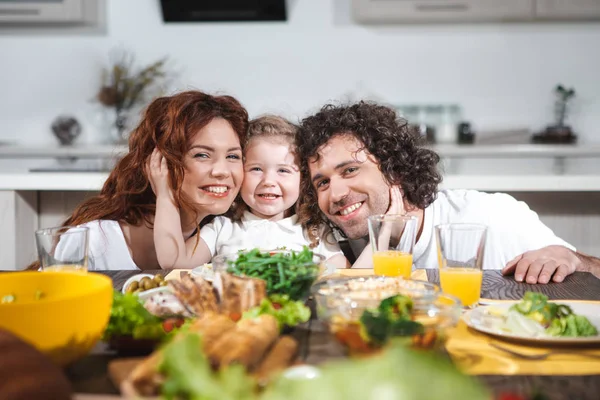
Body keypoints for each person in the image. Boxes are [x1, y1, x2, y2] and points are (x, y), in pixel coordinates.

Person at [296, 101, 600, 284]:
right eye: (321, 182)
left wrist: (573, 259)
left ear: (394, 169)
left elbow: (593, 274)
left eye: (350, 170)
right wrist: (386, 233)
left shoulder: (490, 216)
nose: (334, 193)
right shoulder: (336, 242)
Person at [29, 90, 249, 271]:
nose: (222, 171)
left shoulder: (226, 238)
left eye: (233, 156)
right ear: (159, 162)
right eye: (202, 155)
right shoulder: (94, 241)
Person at [150, 115, 348, 269]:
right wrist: (165, 195)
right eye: (256, 169)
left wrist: (379, 242)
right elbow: (174, 261)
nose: (268, 181)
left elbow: (347, 276)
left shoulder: (314, 231)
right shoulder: (224, 228)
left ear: (302, 180)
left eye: (283, 171)